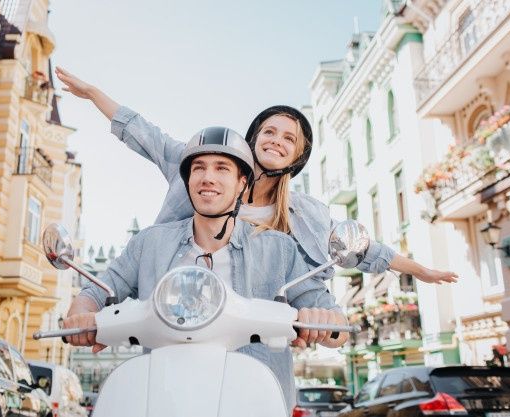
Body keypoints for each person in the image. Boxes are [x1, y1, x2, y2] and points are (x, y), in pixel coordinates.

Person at [55, 68, 458, 284]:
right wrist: (94, 94)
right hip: (177, 304)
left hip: (253, 331)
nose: (277, 141)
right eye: (269, 131)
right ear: (253, 137)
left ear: (298, 156)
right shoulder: (208, 170)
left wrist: (420, 270)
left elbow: (362, 248)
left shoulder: (304, 213)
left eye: (289, 138)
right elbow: (146, 135)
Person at [64, 127, 348, 412]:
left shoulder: (280, 250)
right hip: (164, 399)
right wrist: (80, 315)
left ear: (242, 184)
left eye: (221, 168)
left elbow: (332, 319)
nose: (207, 177)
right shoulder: (149, 243)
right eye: (198, 168)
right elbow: (99, 288)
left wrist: (324, 319)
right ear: (188, 181)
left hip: (252, 403)